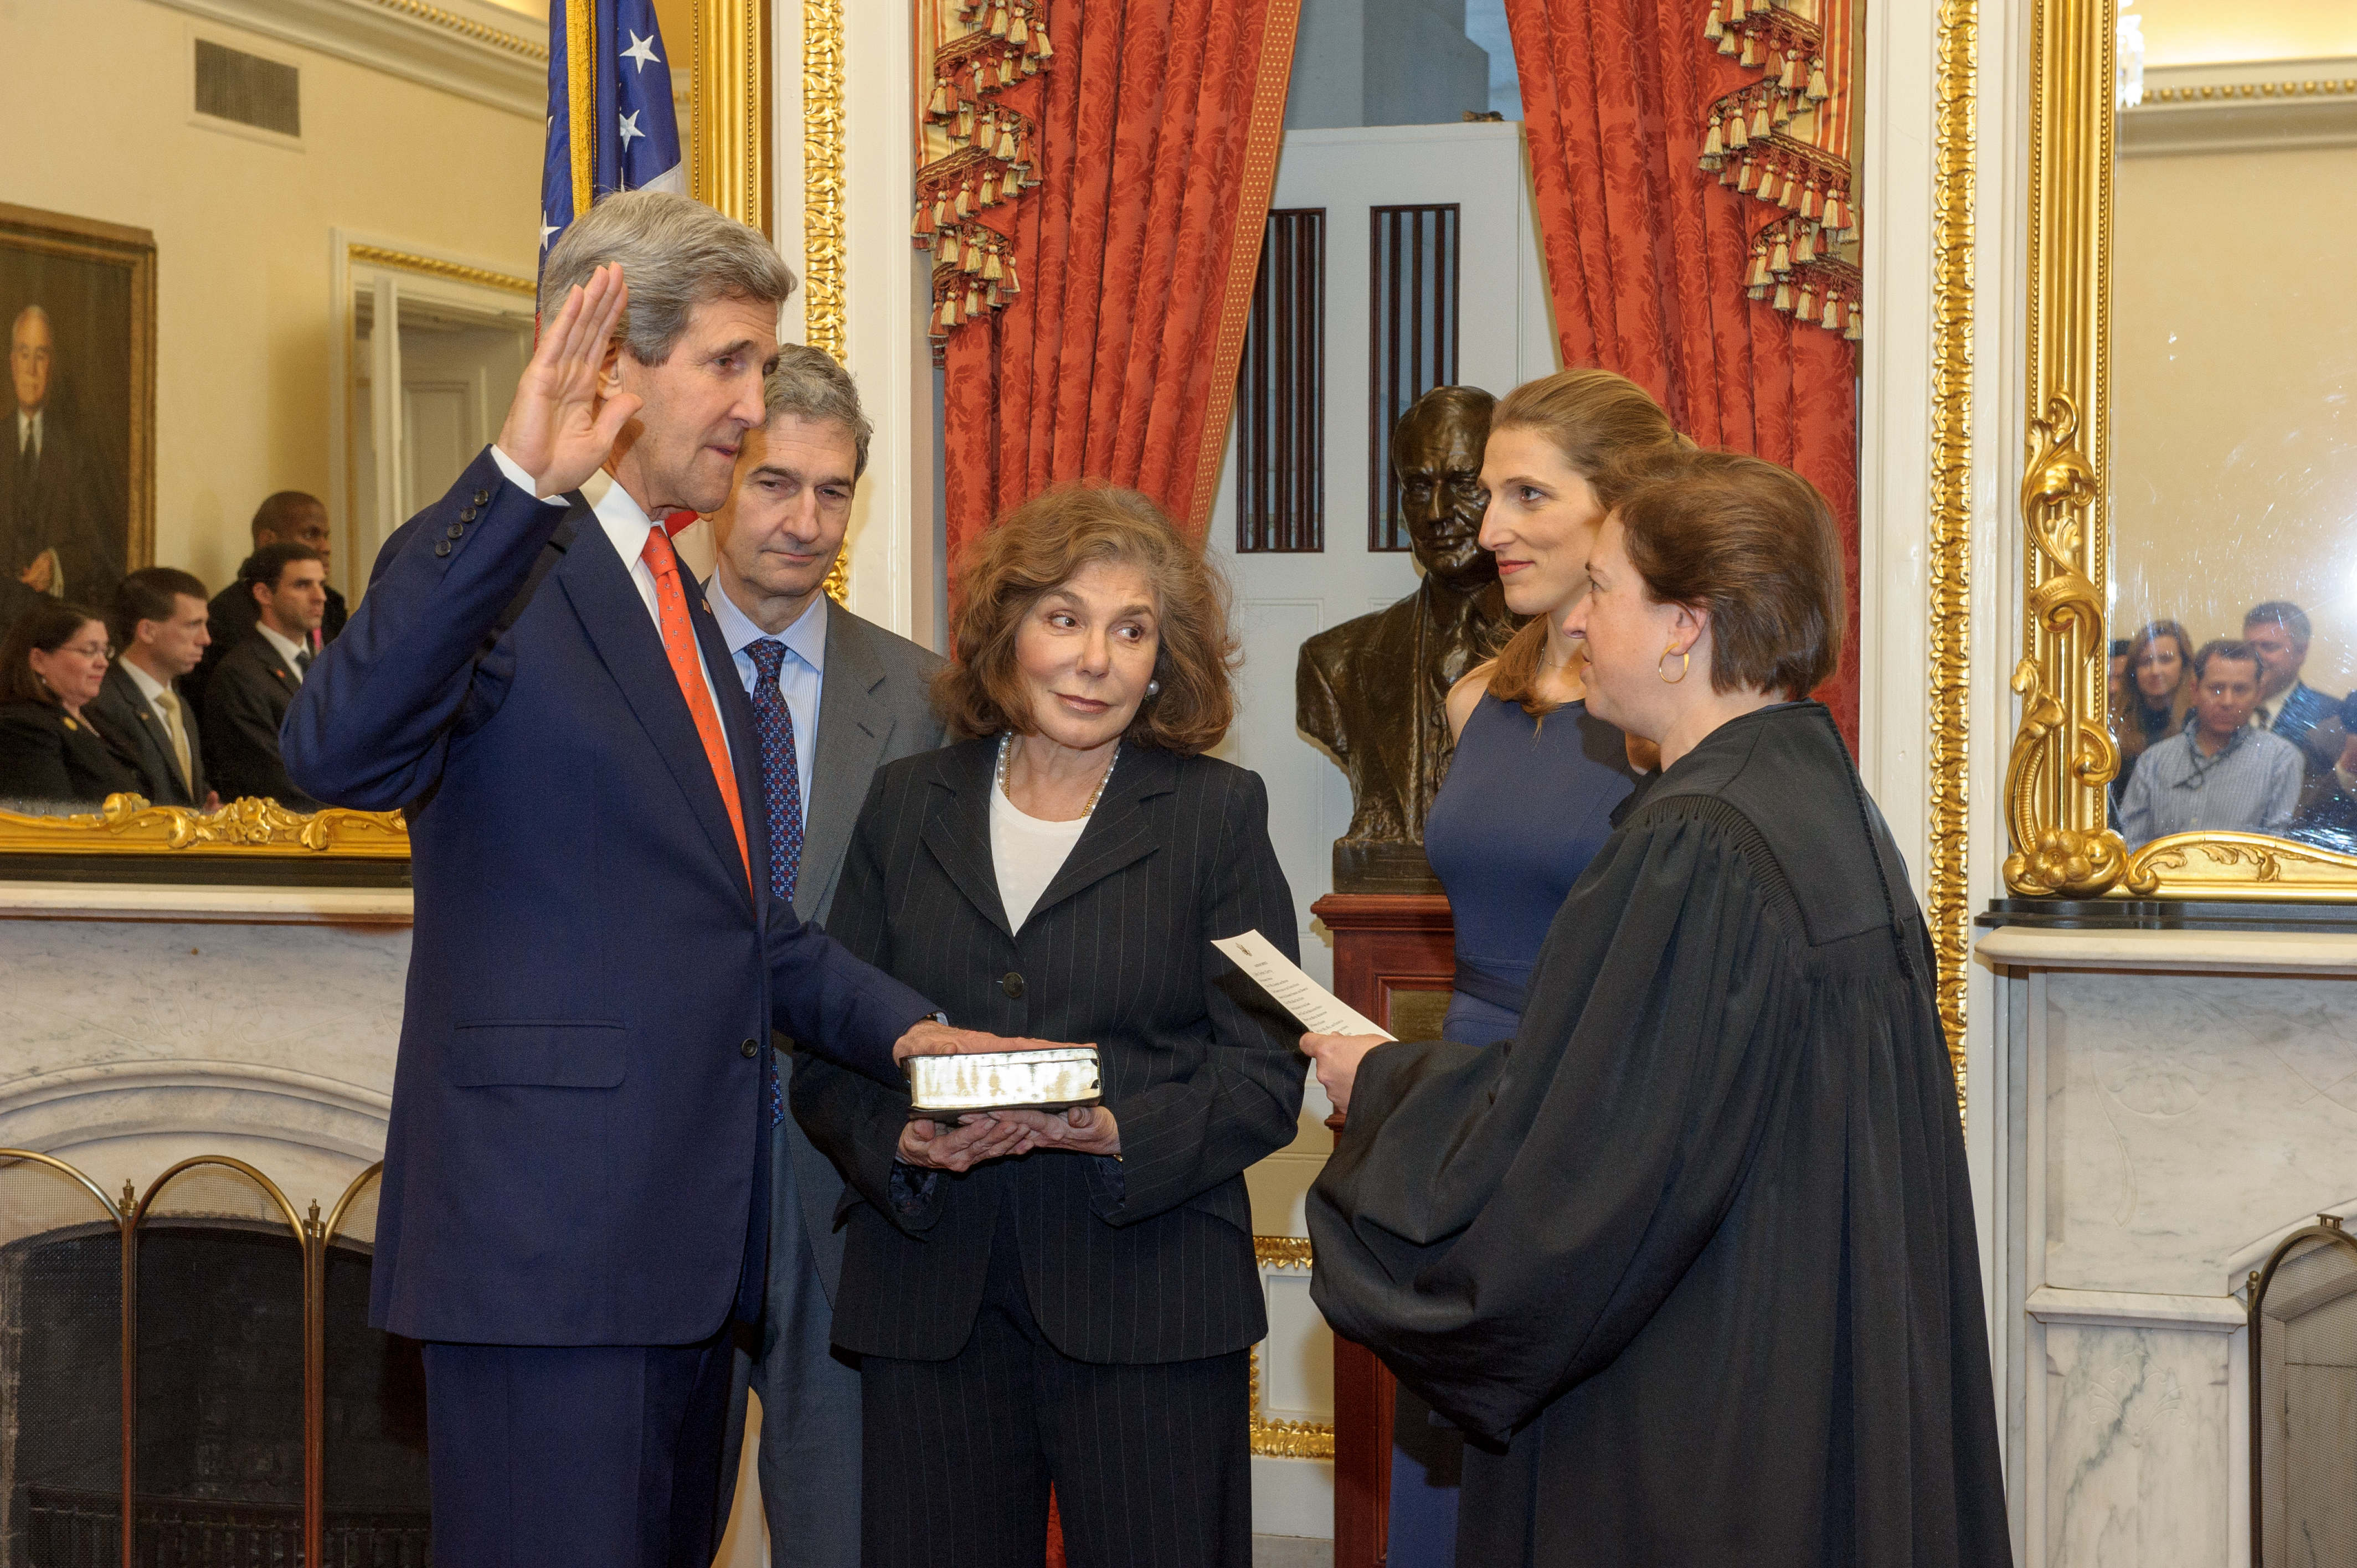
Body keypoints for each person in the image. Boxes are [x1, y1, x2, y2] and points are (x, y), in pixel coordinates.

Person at [280, 190, 1052, 1568]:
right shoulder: (512, 566)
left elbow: (745, 922)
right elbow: (336, 748)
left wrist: (918, 1034)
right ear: (612, 366)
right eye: (731, 363)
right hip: (548, 1260)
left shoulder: (674, 600)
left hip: (687, 1261)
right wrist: (519, 479)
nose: (759, 405)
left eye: (765, 364)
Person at [1300, 450, 2011, 1567]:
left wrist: (1382, 1088)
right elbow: (1645, 1100)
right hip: (1802, 1378)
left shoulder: (1698, 840)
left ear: (1686, 624)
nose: (1574, 626)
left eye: (1603, 592)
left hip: (1692, 1414)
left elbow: (1581, 1167)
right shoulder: (1820, 802)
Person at [791, 483, 1305, 1568]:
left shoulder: (1219, 813)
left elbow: (1262, 1078)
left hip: (1153, 1299)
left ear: (1162, 661)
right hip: (932, 1301)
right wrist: (905, 1140)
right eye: (1065, 619)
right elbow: (829, 1059)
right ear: (1007, 633)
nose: (1095, 660)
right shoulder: (903, 802)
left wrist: (1114, 1129)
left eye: (1132, 630)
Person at [1383, 368, 1670, 1565]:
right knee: (1450, 1492)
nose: (1488, 527)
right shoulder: (1471, 702)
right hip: (1464, 1126)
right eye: (1488, 493)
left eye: (1525, 494)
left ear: (1622, 510)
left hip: (1596, 1131)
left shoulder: (1669, 719)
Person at [709, 346, 946, 1568]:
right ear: (715, 475)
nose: (806, 522)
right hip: (663, 1181)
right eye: (774, 483)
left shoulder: (923, 698)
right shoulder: (627, 667)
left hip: (845, 1183)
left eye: (835, 491)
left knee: (849, 1533)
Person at [1296, 384, 1521, 888]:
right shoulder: (1335, 663)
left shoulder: (1574, 653)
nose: (1437, 513)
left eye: (1464, 483)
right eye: (1418, 486)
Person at [2115, 638, 2302, 848]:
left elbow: (2279, 852)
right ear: (2195, 691)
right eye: (2216, 689)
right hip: (2161, 880)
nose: (2227, 702)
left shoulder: (2280, 760)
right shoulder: (2155, 760)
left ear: (2258, 694)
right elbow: (2130, 844)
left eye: (2240, 690)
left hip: (2241, 881)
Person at [1, 305, 123, 607]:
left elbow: (102, 547)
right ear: (12, 364)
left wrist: (57, 564)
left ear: (51, 367)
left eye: (40, 356)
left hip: (57, 617)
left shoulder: (80, 449)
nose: (32, 369)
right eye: (24, 355)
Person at [188, 491, 348, 714]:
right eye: (311, 535)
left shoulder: (330, 604)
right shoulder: (224, 618)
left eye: (326, 536)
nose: (326, 547)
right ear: (267, 540)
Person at [202, 542, 327, 808]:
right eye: (303, 585)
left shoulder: (327, 663)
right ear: (264, 593)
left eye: (321, 584)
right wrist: (351, 814)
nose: (320, 597)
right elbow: (271, 776)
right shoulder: (239, 674)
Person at [88, 566, 214, 809]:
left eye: (205, 625)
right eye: (192, 625)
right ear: (147, 631)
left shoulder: (178, 705)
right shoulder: (104, 700)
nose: (205, 639)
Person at [0, 599, 140, 806]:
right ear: (39, 660)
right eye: (89, 651)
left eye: (105, 651)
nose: (103, 663)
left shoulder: (99, 719)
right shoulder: (23, 727)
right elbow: (51, 820)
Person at [2109, 618, 2194, 798]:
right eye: (2145, 662)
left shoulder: (2197, 721)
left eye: (2166, 660)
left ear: (2184, 665)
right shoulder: (2116, 725)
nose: (2155, 671)